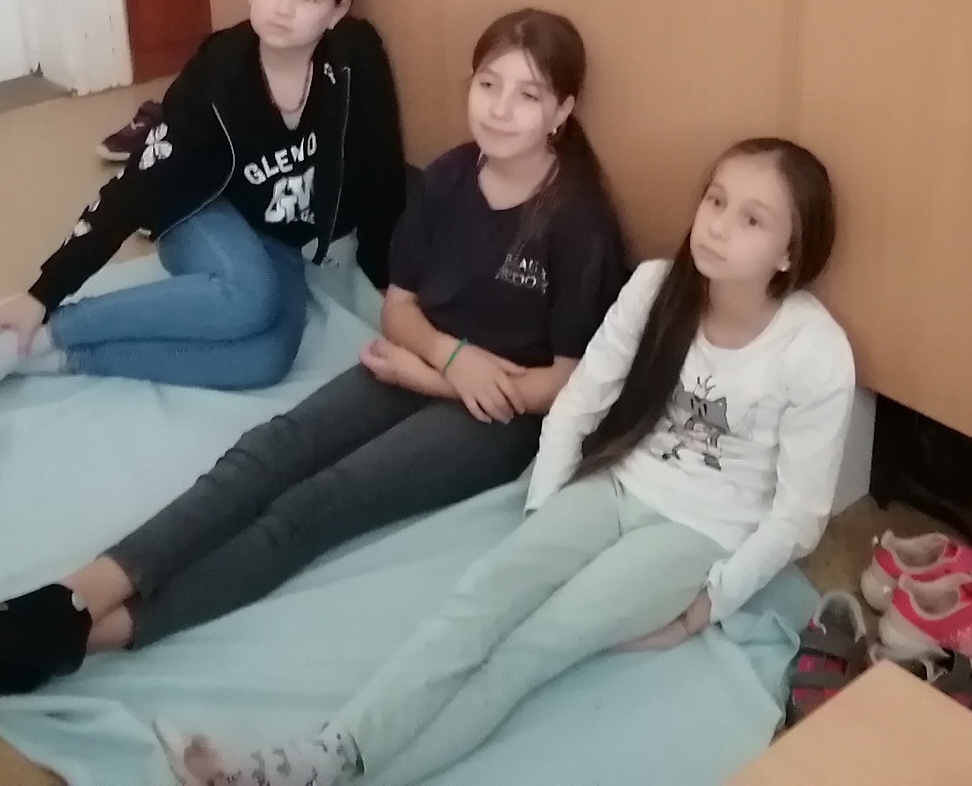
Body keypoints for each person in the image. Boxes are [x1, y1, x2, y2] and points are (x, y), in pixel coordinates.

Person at [0, 8, 629, 697]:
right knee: (268, 451)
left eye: (528, 95)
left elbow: (563, 383)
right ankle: (68, 598)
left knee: (316, 505)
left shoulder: (578, 223)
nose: (500, 109)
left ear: (562, 111)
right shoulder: (447, 178)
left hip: (497, 413)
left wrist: (437, 376)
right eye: (489, 85)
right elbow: (400, 307)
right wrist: (445, 358)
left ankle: (75, 641)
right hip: (429, 362)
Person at [160, 138, 851, 786]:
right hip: (616, 485)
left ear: (789, 254)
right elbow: (580, 401)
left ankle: (342, 776)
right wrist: (544, 509)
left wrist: (709, 605)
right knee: (479, 600)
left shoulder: (813, 352)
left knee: (532, 647)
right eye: (716, 200)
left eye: (752, 219)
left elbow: (800, 515)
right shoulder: (655, 287)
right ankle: (323, 754)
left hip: (697, 531)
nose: (718, 226)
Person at [0, 0, 407, 396]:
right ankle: (54, 331)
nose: (283, 8)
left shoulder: (355, 59)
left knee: (268, 360)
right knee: (248, 297)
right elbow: (136, 185)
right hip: (199, 210)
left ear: (337, 12)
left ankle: (59, 357)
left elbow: (382, 170)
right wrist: (41, 296)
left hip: (276, 235)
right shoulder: (218, 75)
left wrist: (387, 282)